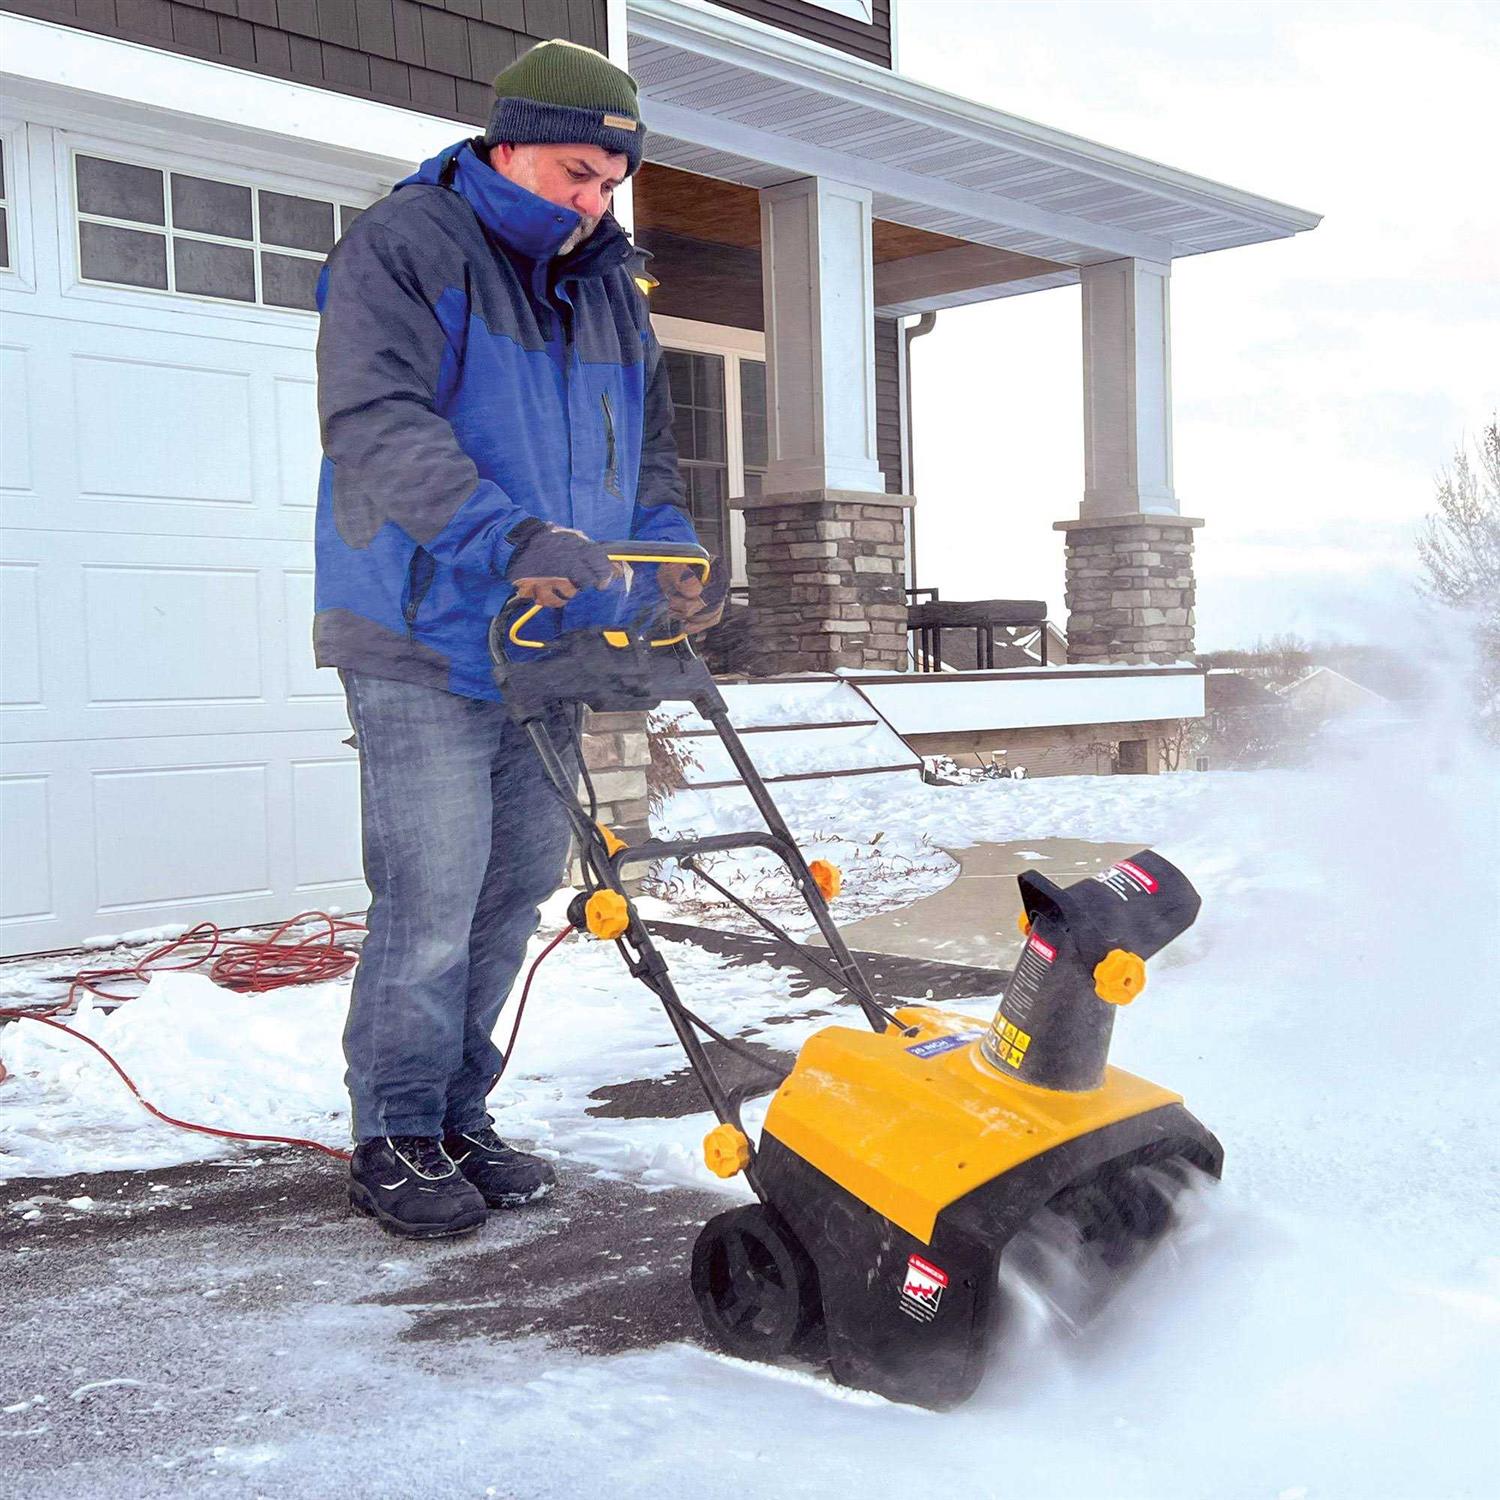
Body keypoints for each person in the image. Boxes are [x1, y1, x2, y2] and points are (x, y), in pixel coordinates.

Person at [313, 38, 724, 1238]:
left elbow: (643, 455)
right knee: (432, 899)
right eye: (573, 174)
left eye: (609, 183)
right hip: (422, 630)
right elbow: (376, 422)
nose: (592, 201)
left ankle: (454, 1117)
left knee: (510, 896)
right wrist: (512, 538)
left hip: (547, 639)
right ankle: (391, 1133)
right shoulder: (409, 245)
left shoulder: (605, 281)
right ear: (509, 143)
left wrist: (668, 566)